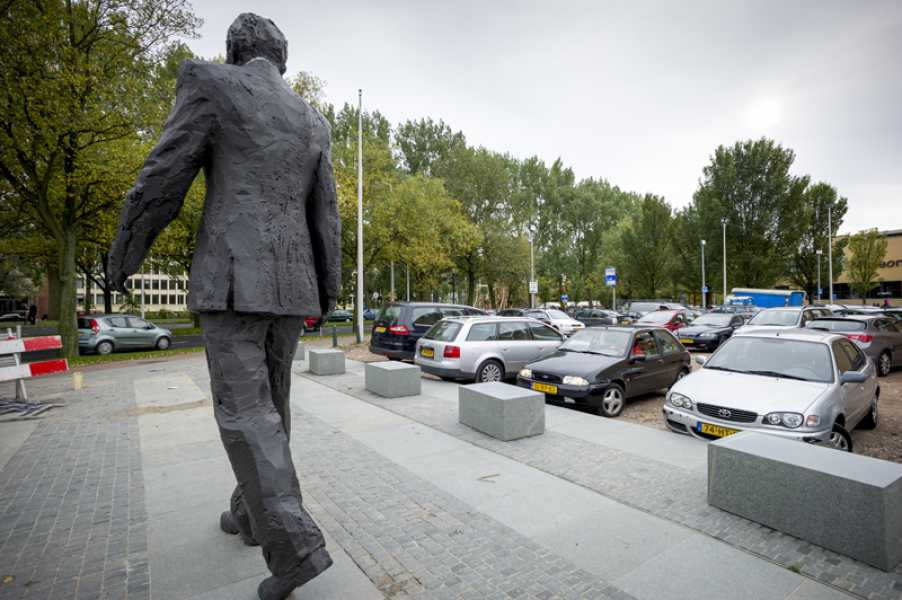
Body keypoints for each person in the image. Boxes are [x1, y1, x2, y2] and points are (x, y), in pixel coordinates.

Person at [107, 13, 340, 600]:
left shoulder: (210, 83)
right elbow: (326, 217)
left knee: (243, 412)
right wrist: (328, 289)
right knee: (272, 407)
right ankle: (250, 513)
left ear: (234, 50)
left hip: (233, 274)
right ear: (281, 57)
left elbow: (163, 175)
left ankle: (295, 549)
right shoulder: (313, 119)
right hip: (292, 284)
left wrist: (124, 255)